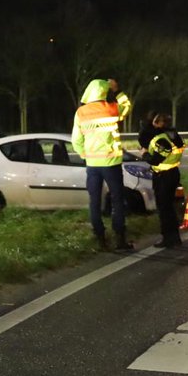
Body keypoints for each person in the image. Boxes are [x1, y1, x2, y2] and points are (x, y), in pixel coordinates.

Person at [72, 78, 133, 252]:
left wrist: (86, 156)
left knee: (94, 202)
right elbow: (127, 107)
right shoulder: (111, 108)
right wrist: (117, 90)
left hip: (92, 165)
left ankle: (100, 240)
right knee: (117, 200)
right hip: (111, 163)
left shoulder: (80, 113)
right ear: (104, 92)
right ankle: (120, 239)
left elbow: (76, 141)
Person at [144, 113, 184, 247]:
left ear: (161, 124)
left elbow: (155, 159)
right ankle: (175, 237)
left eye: (155, 122)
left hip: (163, 177)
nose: (153, 125)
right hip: (173, 173)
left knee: (164, 209)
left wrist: (144, 154)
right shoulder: (175, 135)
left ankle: (168, 238)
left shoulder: (162, 139)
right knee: (170, 208)